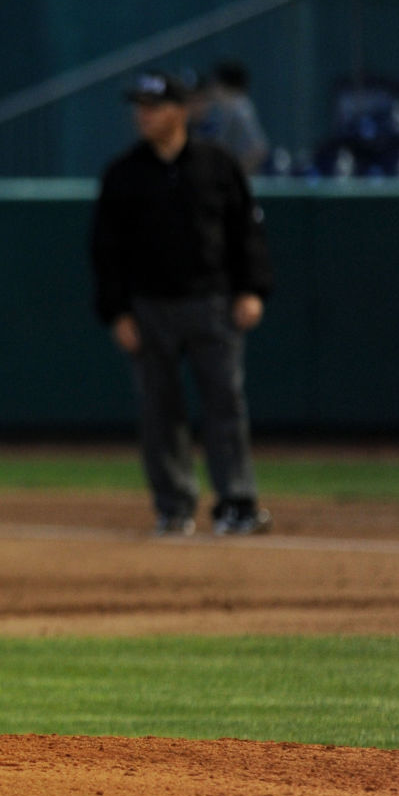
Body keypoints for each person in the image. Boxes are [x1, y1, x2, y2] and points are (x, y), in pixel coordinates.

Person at [91, 70, 275, 536]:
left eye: (152, 107)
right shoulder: (124, 172)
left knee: (225, 404)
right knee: (159, 411)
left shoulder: (217, 164)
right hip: (150, 306)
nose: (142, 115)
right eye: (139, 107)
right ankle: (173, 506)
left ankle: (236, 501)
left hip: (211, 302)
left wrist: (252, 288)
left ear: (180, 111)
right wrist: (117, 311)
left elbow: (246, 232)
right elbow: (105, 250)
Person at [194, 60, 270, 176]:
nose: (212, 88)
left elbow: (258, 150)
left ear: (223, 84)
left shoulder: (240, 108)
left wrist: (234, 175)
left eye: (215, 83)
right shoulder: (229, 108)